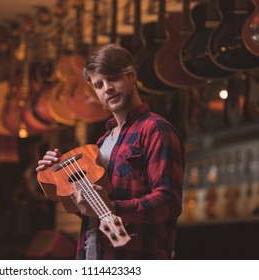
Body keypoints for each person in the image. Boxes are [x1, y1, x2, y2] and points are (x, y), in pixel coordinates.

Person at [36, 43, 185, 260]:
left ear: (132, 76)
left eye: (113, 78)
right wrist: (56, 176)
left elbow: (169, 202)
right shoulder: (102, 141)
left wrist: (113, 207)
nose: (107, 88)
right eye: (98, 85)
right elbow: (94, 211)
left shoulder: (156, 129)